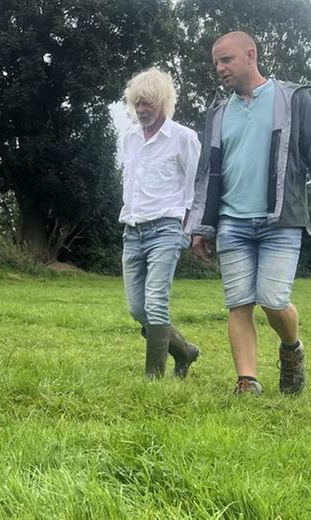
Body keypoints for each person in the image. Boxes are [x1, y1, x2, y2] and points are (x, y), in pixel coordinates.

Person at [186, 31, 311, 395]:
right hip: (232, 223)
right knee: (239, 303)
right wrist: (200, 225)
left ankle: (291, 349)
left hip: (280, 221)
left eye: (226, 60)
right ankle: (247, 380)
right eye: (216, 63)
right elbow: (207, 173)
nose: (220, 69)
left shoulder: (293, 99)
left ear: (251, 55)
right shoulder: (219, 112)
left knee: (272, 300)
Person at [119, 67, 201, 379]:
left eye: (148, 103)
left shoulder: (184, 139)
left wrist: (187, 230)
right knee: (137, 309)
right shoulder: (129, 137)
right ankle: (185, 351)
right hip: (133, 230)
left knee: (155, 302)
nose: (141, 110)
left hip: (166, 229)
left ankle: (153, 377)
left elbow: (194, 190)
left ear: (163, 102)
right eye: (137, 103)